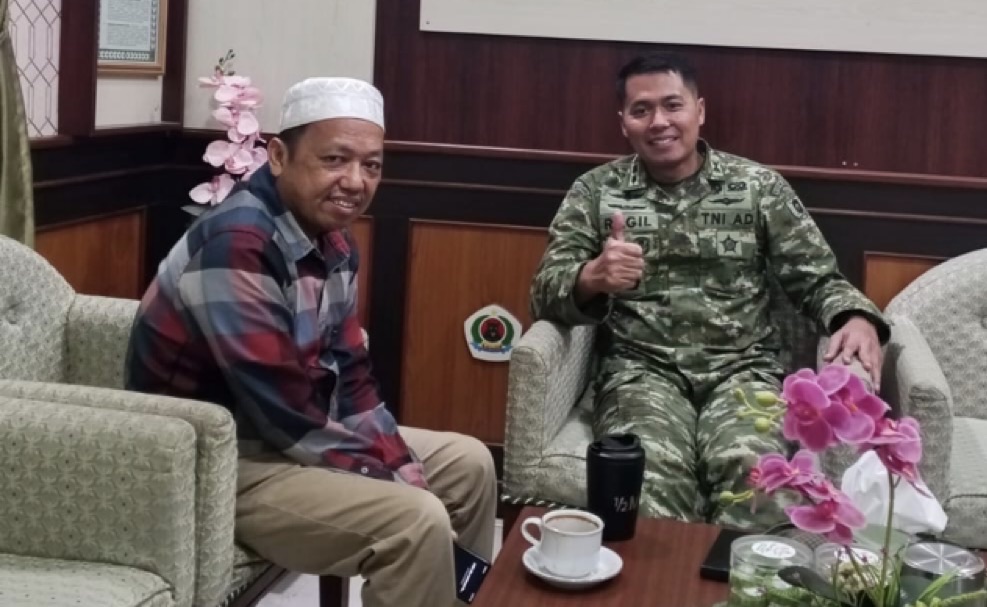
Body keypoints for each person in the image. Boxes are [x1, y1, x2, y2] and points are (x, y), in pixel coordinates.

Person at [126, 77, 496, 607]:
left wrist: (402, 465)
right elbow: (285, 410)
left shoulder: (333, 240)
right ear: (278, 156)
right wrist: (397, 478)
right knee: (413, 520)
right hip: (210, 463)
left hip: (279, 439)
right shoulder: (238, 244)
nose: (355, 181)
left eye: (372, 165)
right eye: (335, 160)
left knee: (469, 464)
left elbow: (352, 376)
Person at [529, 52, 889, 529]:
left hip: (742, 372)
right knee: (649, 475)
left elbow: (817, 278)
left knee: (754, 474)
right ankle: (660, 576)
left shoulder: (757, 188)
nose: (659, 122)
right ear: (624, 123)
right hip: (640, 374)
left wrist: (854, 316)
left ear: (700, 111)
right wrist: (591, 276)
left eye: (672, 105)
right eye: (641, 110)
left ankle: (742, 577)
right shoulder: (596, 191)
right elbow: (543, 293)